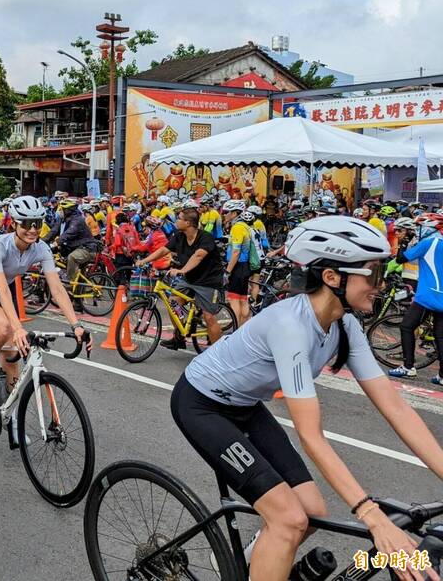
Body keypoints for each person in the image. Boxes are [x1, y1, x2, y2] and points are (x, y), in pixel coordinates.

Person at [172, 215, 443, 581]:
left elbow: (394, 407)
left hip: (245, 406)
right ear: (333, 277)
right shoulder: (291, 327)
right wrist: (371, 516)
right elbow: (311, 436)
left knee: (311, 510)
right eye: (374, 275)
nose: (381, 286)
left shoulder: (345, 324)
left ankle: (253, 563)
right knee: (288, 519)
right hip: (201, 404)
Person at [0, 197, 91, 420]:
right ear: (14, 223)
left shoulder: (41, 249)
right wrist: (18, 327)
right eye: (26, 223)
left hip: (7, 289)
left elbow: (57, 289)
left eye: (37, 223)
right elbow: (2, 290)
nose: (32, 229)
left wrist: (76, 324)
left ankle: (9, 416)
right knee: (4, 328)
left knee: (13, 353)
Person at [139, 207, 225, 348]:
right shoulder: (179, 236)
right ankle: (179, 337)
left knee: (208, 317)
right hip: (189, 279)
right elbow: (163, 250)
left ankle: (218, 353)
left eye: (179, 218)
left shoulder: (205, 237)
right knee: (172, 303)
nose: (175, 220)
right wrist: (145, 261)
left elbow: (198, 256)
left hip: (208, 282)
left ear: (188, 223)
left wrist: (182, 270)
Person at [389, 214, 443, 383]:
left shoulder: (428, 243)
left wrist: (404, 241)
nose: (417, 231)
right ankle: (442, 376)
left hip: (427, 296)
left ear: (429, 228)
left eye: (420, 228)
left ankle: (408, 367)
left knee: (406, 326)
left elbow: (400, 259)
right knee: (440, 336)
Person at [45, 200, 100, 312]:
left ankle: (69, 283)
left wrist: (56, 243)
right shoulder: (63, 220)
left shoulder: (77, 220)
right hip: (75, 248)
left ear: (68, 211)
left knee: (72, 258)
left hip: (87, 249)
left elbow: (69, 233)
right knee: (79, 278)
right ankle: (77, 304)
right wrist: (41, 241)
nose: (60, 212)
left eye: (62, 210)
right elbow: (54, 231)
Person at [223, 199, 254, 326]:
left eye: (226, 212)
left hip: (238, 266)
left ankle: (236, 330)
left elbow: (236, 252)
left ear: (235, 213)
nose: (224, 214)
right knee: (243, 299)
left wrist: (228, 271)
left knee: (233, 299)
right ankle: (242, 327)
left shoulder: (237, 228)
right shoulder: (246, 226)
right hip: (245, 266)